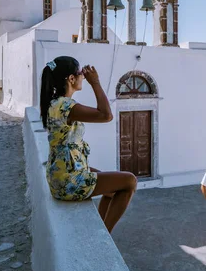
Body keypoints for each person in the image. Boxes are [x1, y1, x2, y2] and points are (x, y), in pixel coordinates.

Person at [40, 55, 136, 233]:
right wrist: (96, 83)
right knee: (129, 181)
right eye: (80, 73)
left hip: (61, 173)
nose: (83, 76)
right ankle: (104, 236)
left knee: (113, 189)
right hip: (67, 179)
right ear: (71, 78)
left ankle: (100, 230)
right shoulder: (65, 106)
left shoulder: (54, 103)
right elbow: (106, 115)